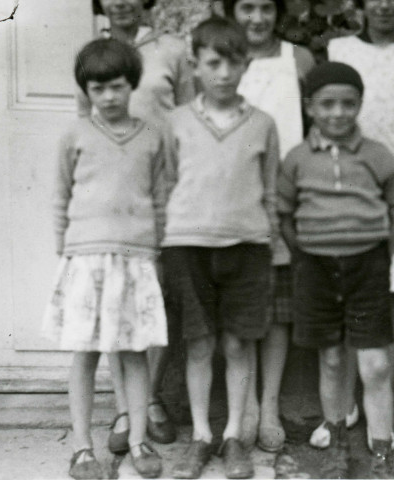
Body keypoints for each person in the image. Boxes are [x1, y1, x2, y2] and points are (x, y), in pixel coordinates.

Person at [278, 61, 394, 479]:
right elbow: (284, 216)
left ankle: (382, 454)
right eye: (327, 104)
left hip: (367, 267)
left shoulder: (377, 155)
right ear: (310, 107)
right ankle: (337, 449)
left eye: (348, 104)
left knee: (374, 364)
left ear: (359, 105)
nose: (338, 113)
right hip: (315, 268)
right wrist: (307, 255)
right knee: (332, 360)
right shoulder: (297, 159)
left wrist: (376, 256)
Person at [159, 16, 279, 480]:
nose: (224, 74)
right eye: (213, 63)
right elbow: (167, 184)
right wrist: (160, 243)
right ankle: (202, 436)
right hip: (187, 247)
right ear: (196, 64)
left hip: (247, 248)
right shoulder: (176, 122)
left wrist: (271, 243)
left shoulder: (263, 124)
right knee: (199, 343)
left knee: (237, 343)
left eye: (233, 63)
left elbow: (268, 192)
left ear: (246, 64)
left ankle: (232, 436)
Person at [43, 38, 168, 479]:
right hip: (87, 258)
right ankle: (81, 447)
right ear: (86, 92)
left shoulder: (152, 137)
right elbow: (61, 195)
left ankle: (137, 438)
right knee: (86, 352)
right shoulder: (74, 136)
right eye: (98, 89)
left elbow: (160, 197)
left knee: (134, 352)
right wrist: (66, 247)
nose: (109, 97)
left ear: (131, 85)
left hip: (135, 259)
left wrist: (153, 249)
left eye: (116, 87)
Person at [323, 0, 394, 449]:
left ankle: (379, 407)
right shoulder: (338, 51)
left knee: (391, 295)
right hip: (346, 186)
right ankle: (344, 405)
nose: (385, 5)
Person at [80, 0, 195, 454]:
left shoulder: (172, 50)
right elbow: (83, 129)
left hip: (167, 192)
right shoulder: (92, 51)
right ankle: (126, 407)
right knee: (116, 298)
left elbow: (190, 117)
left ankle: (150, 401)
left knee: (160, 297)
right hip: (114, 201)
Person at [225, 0, 316, 452]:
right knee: (240, 309)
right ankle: (242, 410)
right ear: (230, 11)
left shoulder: (297, 59)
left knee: (279, 311)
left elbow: (314, 125)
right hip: (230, 201)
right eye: (246, 7)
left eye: (265, 7)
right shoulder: (220, 58)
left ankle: (270, 407)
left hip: (281, 198)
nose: (256, 18)